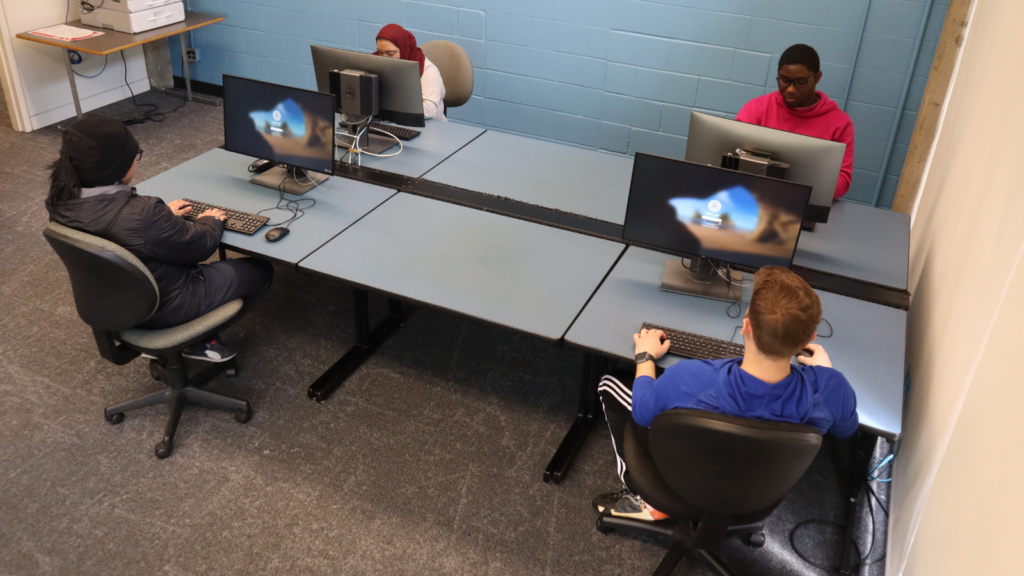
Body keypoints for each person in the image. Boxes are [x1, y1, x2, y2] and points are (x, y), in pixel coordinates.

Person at [592, 266, 858, 522]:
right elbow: (846, 430)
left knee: (609, 383)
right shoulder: (832, 390)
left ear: (746, 326)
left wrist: (645, 356)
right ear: (809, 338)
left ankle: (645, 498)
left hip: (685, 479)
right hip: (759, 492)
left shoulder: (690, 379)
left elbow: (641, 412)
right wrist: (826, 374)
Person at [46, 115, 273, 362]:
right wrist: (210, 220)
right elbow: (199, 247)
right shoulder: (142, 215)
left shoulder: (61, 198)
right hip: (167, 305)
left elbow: (124, 229)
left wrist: (160, 219)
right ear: (117, 167)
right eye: (136, 155)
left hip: (116, 302)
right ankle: (198, 339)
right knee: (260, 271)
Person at [736, 44, 855, 199]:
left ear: (817, 77)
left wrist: (797, 193)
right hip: (752, 197)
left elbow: (842, 180)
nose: (791, 89)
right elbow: (733, 158)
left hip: (805, 202)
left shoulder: (840, 124)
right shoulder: (755, 109)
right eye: (784, 80)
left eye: (800, 82)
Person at [374, 23, 447, 121]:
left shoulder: (428, 71)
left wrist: (388, 106)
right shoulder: (377, 62)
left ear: (404, 49)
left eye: (390, 54)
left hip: (429, 125)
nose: (384, 58)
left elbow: (429, 110)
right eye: (380, 52)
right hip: (392, 122)